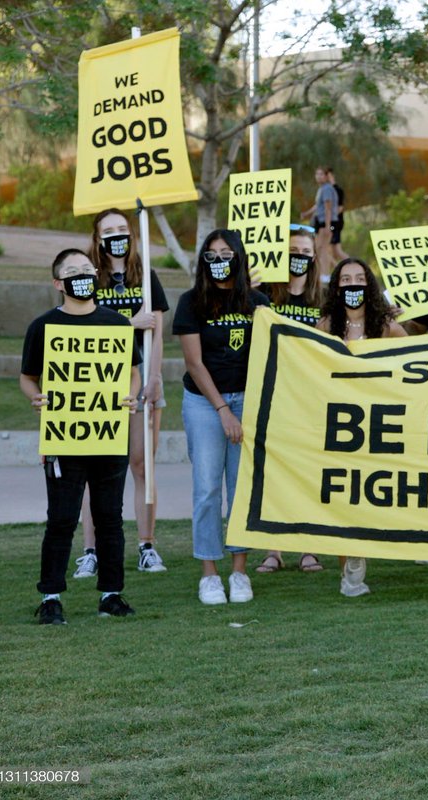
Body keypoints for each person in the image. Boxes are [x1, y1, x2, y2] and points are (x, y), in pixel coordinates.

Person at [21, 249, 141, 624]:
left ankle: (111, 594)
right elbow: (27, 376)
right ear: (59, 283)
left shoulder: (118, 325)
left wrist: (131, 395)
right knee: (61, 518)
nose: (82, 275)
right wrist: (35, 397)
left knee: (110, 518)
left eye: (87, 268)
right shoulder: (43, 327)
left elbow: (133, 371)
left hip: (108, 436)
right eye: (72, 271)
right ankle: (51, 597)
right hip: (63, 439)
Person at [173, 229, 270, 605]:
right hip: (204, 403)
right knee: (208, 489)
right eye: (211, 254)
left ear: (238, 257)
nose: (218, 260)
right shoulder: (190, 302)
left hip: (248, 401)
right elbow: (194, 364)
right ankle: (210, 573)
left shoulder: (258, 301)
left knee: (242, 490)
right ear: (202, 261)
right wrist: (223, 410)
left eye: (226, 252)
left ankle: (240, 571)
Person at [72, 208, 170, 579]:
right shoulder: (86, 277)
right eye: (109, 230)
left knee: (142, 464)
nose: (117, 235)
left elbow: (157, 331)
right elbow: (79, 327)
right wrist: (128, 323)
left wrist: (156, 376)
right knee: (95, 469)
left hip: (142, 375)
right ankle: (91, 551)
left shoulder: (144, 276)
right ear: (97, 238)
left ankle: (147, 545)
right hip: (98, 380)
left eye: (123, 229)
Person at [318, 257, 407, 597]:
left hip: (378, 422)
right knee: (346, 494)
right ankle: (350, 566)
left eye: (359, 278)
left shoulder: (386, 325)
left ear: (369, 284)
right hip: (341, 423)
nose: (352, 284)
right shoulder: (326, 325)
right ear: (336, 286)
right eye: (345, 279)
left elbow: (415, 360)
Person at [256, 224, 327, 575]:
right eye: (291, 252)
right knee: (275, 471)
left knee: (309, 470)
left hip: (311, 395)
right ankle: (274, 549)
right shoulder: (264, 295)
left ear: (313, 256)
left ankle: (310, 547)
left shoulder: (323, 297)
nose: (297, 257)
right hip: (273, 393)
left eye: (303, 251)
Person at [302, 166, 339, 282]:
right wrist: (306, 213)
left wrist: (328, 226)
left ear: (326, 176)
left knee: (320, 249)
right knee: (321, 249)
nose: (318, 176)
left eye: (321, 174)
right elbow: (318, 206)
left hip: (327, 222)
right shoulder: (322, 189)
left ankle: (327, 274)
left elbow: (328, 208)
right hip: (322, 222)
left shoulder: (327, 189)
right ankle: (329, 273)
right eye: (317, 174)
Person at [325, 167, 349, 265]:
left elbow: (340, 208)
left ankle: (344, 269)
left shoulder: (337, 190)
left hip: (334, 223)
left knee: (327, 250)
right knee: (335, 251)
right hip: (332, 223)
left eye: (328, 176)